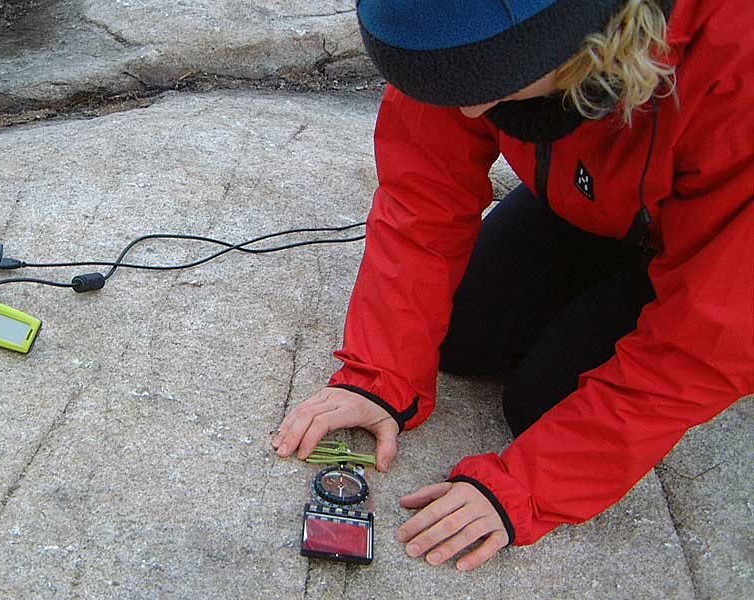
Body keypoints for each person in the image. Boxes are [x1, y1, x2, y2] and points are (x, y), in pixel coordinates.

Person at [273, 0, 753, 571]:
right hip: (595, 196)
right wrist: (379, 374)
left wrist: (527, 486)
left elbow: (709, 339)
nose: (469, 106)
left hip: (723, 243)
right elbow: (423, 194)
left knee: (543, 405)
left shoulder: (735, 68)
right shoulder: (450, 31)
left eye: (485, 78)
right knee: (464, 334)